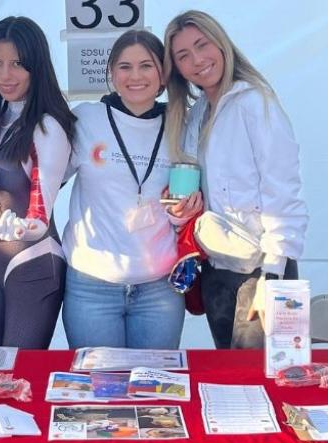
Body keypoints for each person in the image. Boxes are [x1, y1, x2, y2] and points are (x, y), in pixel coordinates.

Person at [164, 11, 308, 349]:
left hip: (261, 270)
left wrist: (272, 277)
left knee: (264, 380)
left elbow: (283, 191)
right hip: (217, 270)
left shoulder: (255, 103)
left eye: (202, 45)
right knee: (232, 379)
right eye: (183, 55)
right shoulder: (197, 113)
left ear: (222, 43)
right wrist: (182, 212)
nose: (197, 60)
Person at [61, 29, 203, 349]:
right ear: (111, 74)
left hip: (160, 289)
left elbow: (191, 197)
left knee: (153, 392)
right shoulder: (85, 118)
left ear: (164, 74)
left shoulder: (183, 123)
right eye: (124, 67)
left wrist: (186, 212)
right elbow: (45, 179)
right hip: (91, 286)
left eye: (146, 66)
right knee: (97, 390)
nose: (135, 76)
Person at [0, 16, 76, 348]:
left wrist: (23, 228)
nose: (5, 74)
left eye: (17, 64)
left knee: (20, 375)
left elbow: (40, 210)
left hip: (33, 263)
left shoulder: (47, 126)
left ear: (36, 67)